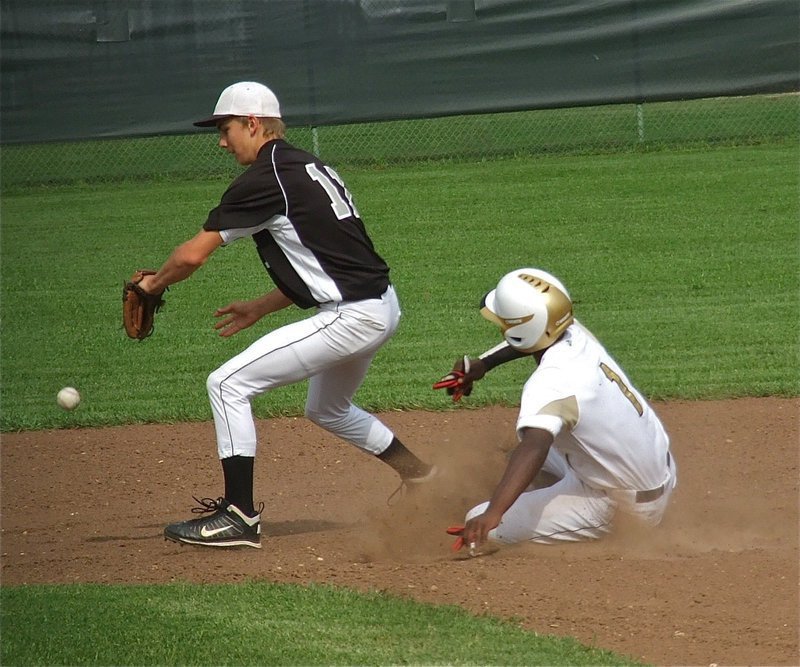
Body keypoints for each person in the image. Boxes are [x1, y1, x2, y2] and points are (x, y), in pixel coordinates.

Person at [138, 81, 435, 549]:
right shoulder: (304, 165)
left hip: (353, 315)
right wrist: (262, 306)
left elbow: (193, 256)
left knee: (227, 384)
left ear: (252, 124)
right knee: (327, 409)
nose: (221, 140)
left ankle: (238, 517)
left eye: (226, 128)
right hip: (380, 304)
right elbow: (323, 258)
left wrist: (153, 284)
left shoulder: (263, 178)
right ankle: (421, 476)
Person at [435, 268, 676, 552]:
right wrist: (483, 364)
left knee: (480, 521)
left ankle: (587, 538)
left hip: (623, 505)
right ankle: (553, 500)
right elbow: (531, 337)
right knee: (521, 452)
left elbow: (535, 447)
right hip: (658, 469)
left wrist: (494, 513)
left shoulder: (550, 382)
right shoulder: (573, 333)